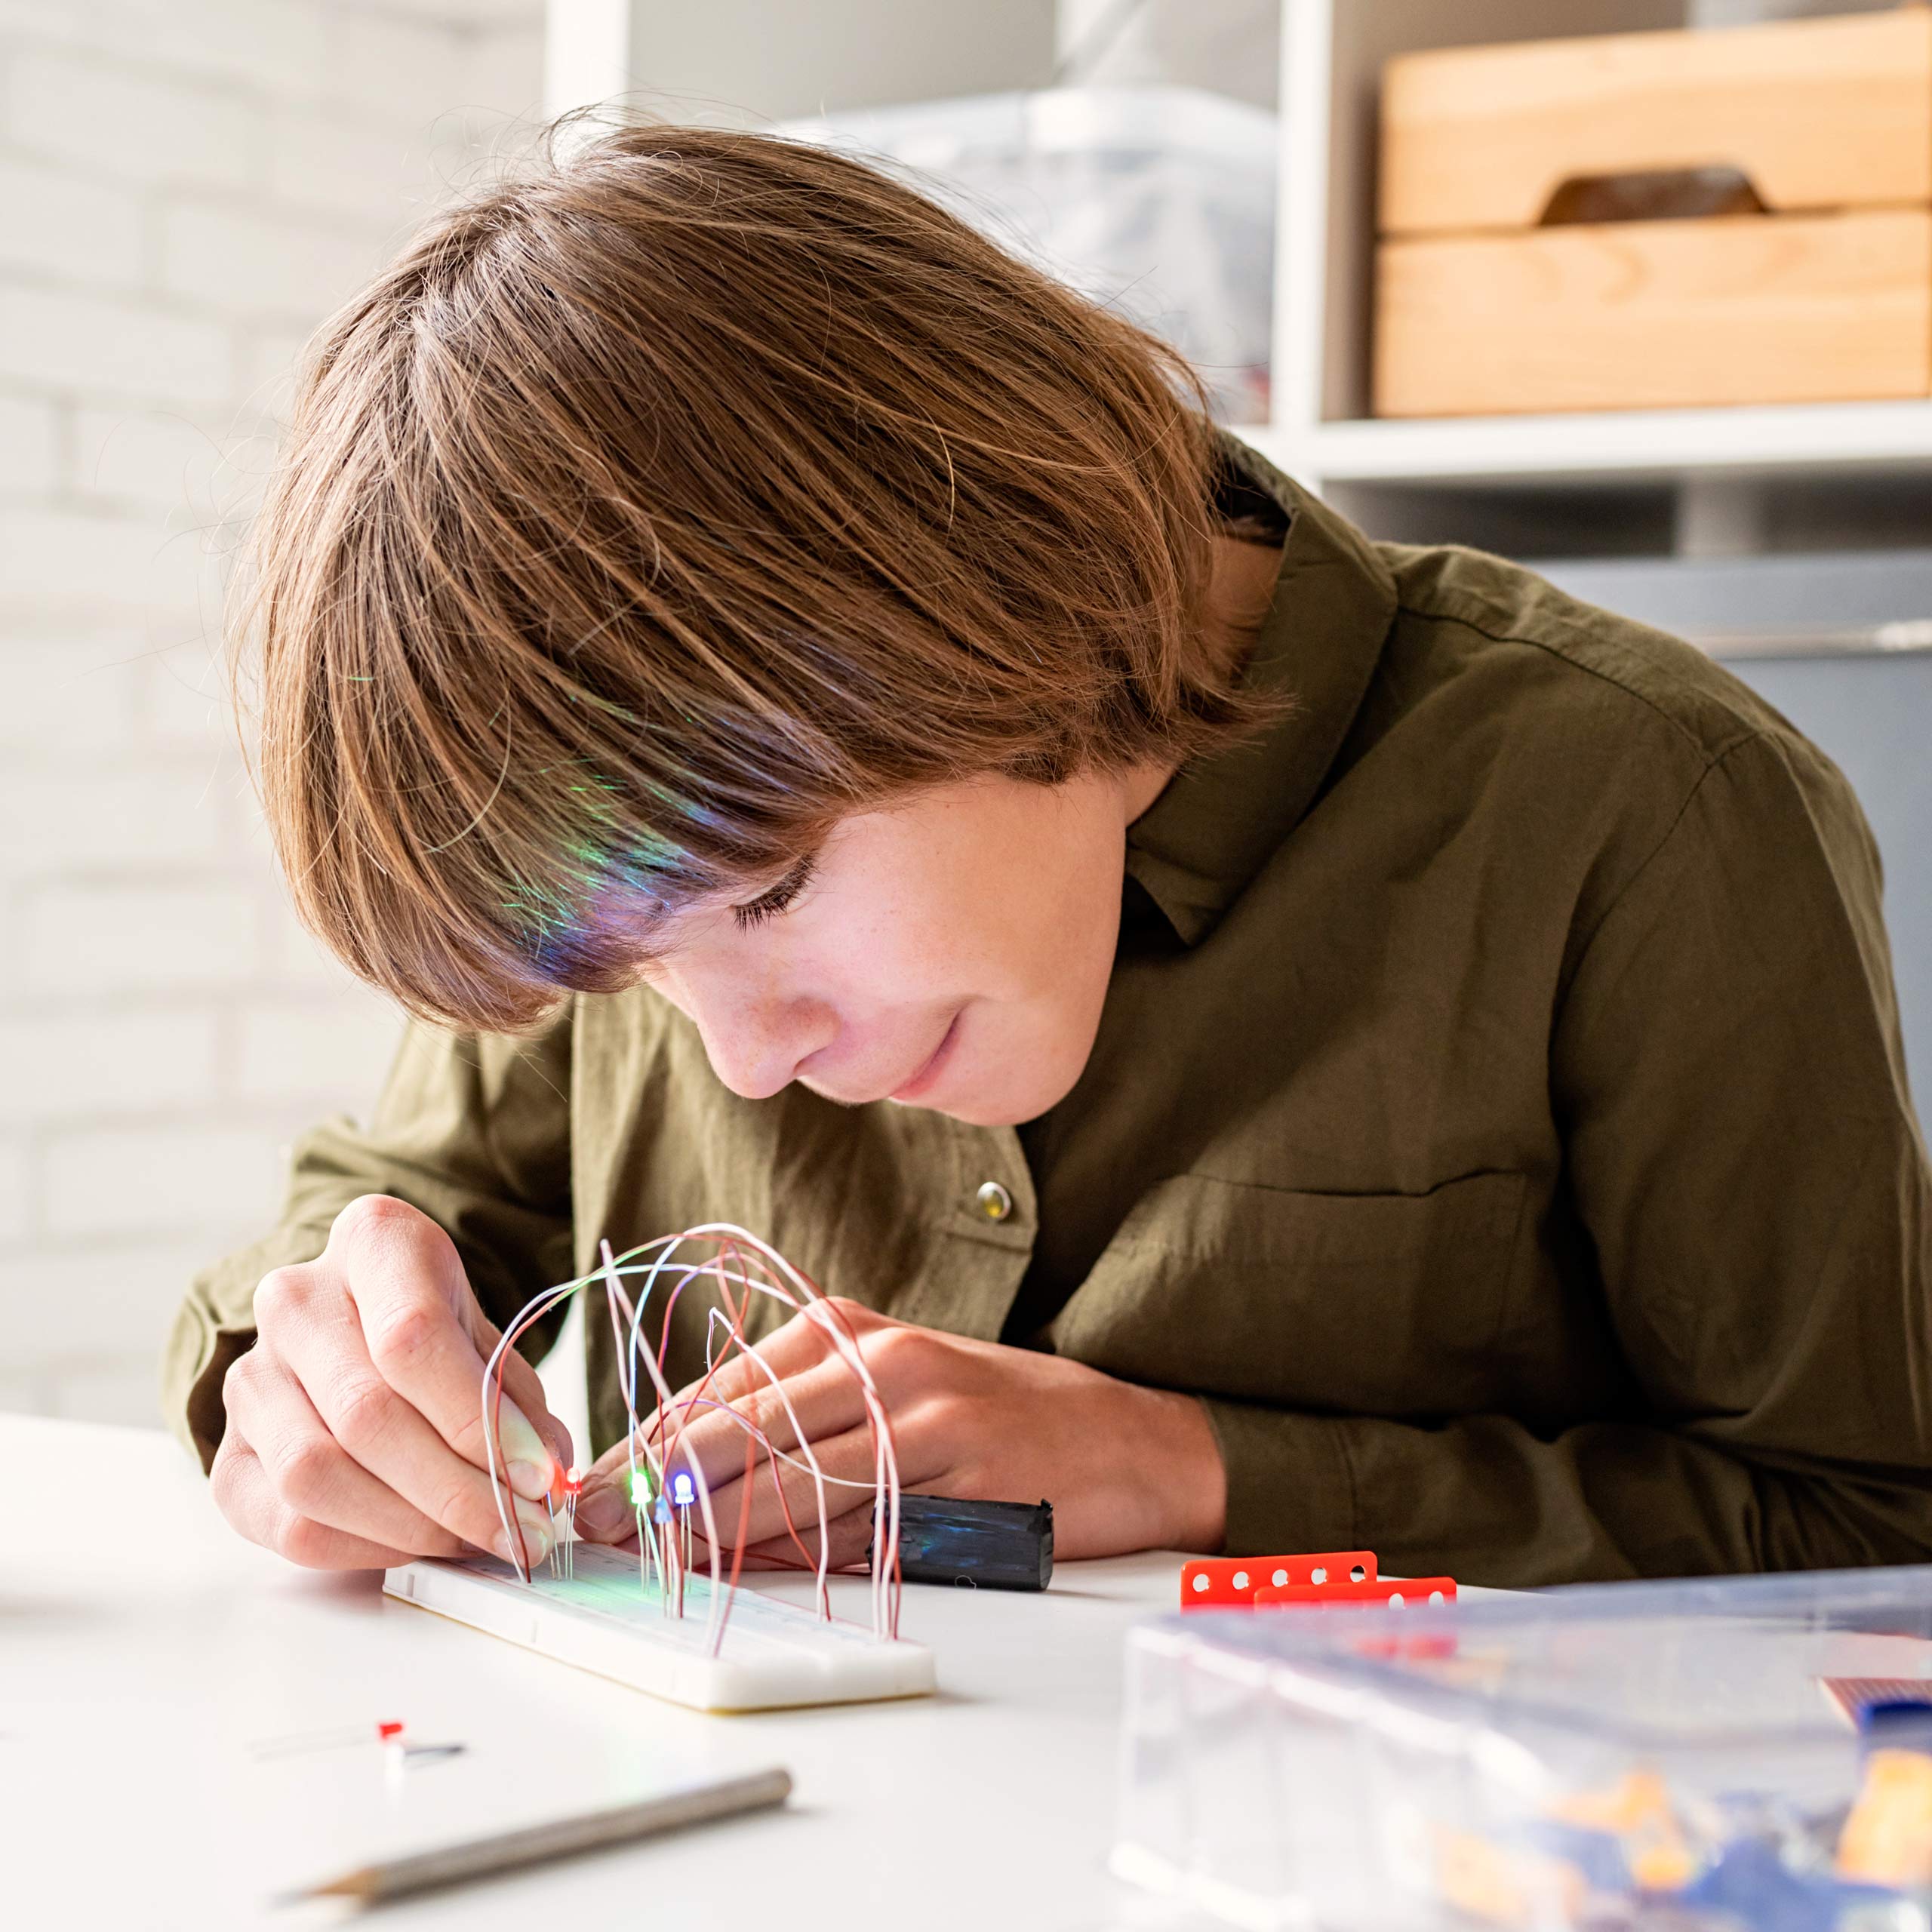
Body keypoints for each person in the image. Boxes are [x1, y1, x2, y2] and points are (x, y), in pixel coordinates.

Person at [165, 123, 1932, 1586]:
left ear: (1004, 583)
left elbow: (1863, 1520)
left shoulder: (1645, 807)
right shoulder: (639, 825)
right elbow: (376, 1209)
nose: (741, 1053)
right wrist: (301, 1370)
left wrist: (1195, 1466)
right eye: (630, 971)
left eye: (777, 893)